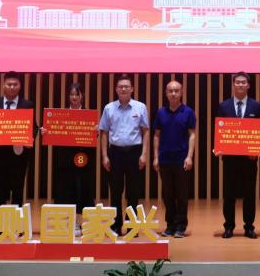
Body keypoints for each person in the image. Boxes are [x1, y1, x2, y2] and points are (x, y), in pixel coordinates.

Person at [0, 70, 35, 235]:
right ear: (3, 85)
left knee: (17, 191)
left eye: (15, 84)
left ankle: (17, 226)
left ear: (20, 86)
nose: (12, 87)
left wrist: (30, 138)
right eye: (9, 84)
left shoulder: (27, 105)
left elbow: (33, 127)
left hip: (19, 156)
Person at [99, 73, 149, 235]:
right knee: (115, 191)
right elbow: (104, 132)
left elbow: (146, 131)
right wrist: (104, 155)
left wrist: (144, 154)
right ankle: (116, 225)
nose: (123, 89)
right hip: (115, 153)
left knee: (133, 192)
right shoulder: (109, 108)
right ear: (116, 89)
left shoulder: (140, 107)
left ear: (132, 89)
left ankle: (132, 226)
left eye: (126, 86)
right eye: (120, 87)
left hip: (134, 152)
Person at [46, 82, 96, 237]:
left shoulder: (88, 115)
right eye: (72, 94)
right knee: (65, 190)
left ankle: (80, 222)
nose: (74, 97)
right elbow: (53, 134)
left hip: (82, 160)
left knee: (81, 190)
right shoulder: (61, 115)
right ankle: (68, 222)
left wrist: (95, 131)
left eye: (77, 94)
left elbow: (93, 137)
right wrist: (47, 131)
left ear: (82, 96)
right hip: (65, 160)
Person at [218, 71, 260, 239]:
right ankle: (229, 226)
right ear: (233, 84)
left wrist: (259, 149)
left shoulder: (256, 106)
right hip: (229, 158)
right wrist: (219, 147)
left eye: (243, 82)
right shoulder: (224, 106)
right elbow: (219, 131)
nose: (240, 85)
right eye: (237, 82)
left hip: (249, 159)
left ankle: (249, 227)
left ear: (248, 85)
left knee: (249, 194)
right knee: (228, 194)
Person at [151, 80, 197, 238]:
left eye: (176, 91)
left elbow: (192, 135)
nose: (173, 93)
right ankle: (170, 225)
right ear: (166, 93)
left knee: (182, 195)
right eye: (170, 91)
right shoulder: (160, 113)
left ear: (181, 92)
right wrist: (156, 157)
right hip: (164, 159)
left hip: (181, 159)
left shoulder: (188, 112)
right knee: (168, 195)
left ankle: (181, 226)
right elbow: (156, 135)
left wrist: (189, 156)